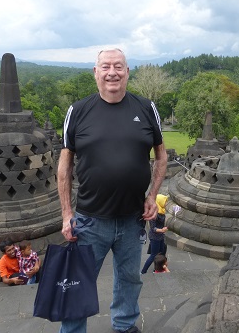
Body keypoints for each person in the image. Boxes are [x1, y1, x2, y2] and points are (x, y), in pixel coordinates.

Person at [58, 48, 167, 333]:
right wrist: (67, 212)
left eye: (118, 66)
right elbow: (65, 165)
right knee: (78, 281)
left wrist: (152, 195)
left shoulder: (146, 107)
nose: (112, 73)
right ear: (96, 73)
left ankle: (125, 324)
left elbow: (161, 155)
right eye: (105, 67)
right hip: (90, 220)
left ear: (127, 71)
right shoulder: (78, 111)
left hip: (133, 219)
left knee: (130, 278)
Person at [141, 194, 168, 274]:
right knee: (154, 255)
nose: (166, 203)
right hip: (155, 237)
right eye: (165, 202)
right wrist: (162, 230)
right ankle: (143, 271)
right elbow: (153, 228)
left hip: (161, 236)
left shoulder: (162, 211)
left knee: (161, 253)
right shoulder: (154, 214)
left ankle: (157, 269)